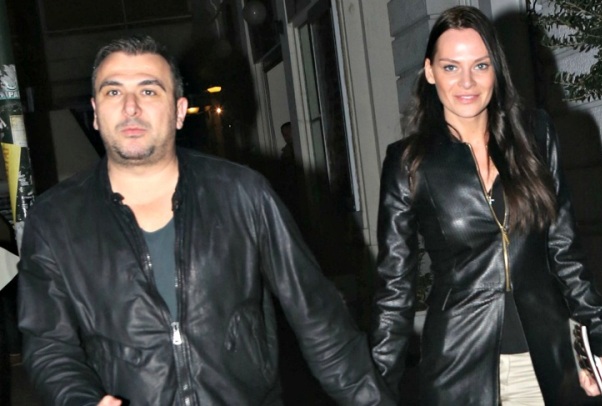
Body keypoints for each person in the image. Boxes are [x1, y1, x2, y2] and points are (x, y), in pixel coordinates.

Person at [17, 35, 393, 405]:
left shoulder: (242, 194)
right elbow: (48, 346)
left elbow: (320, 321)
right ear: (96, 113)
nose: (130, 107)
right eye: (113, 92)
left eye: (149, 91)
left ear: (179, 111)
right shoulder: (55, 220)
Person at [369, 6, 602, 405]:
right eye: (451, 67)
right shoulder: (409, 163)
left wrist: (599, 338)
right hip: (457, 367)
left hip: (543, 362)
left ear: (496, 70)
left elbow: (566, 252)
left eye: (480, 65)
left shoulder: (535, 136)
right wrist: (376, 388)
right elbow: (394, 288)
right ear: (430, 72)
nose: (467, 81)